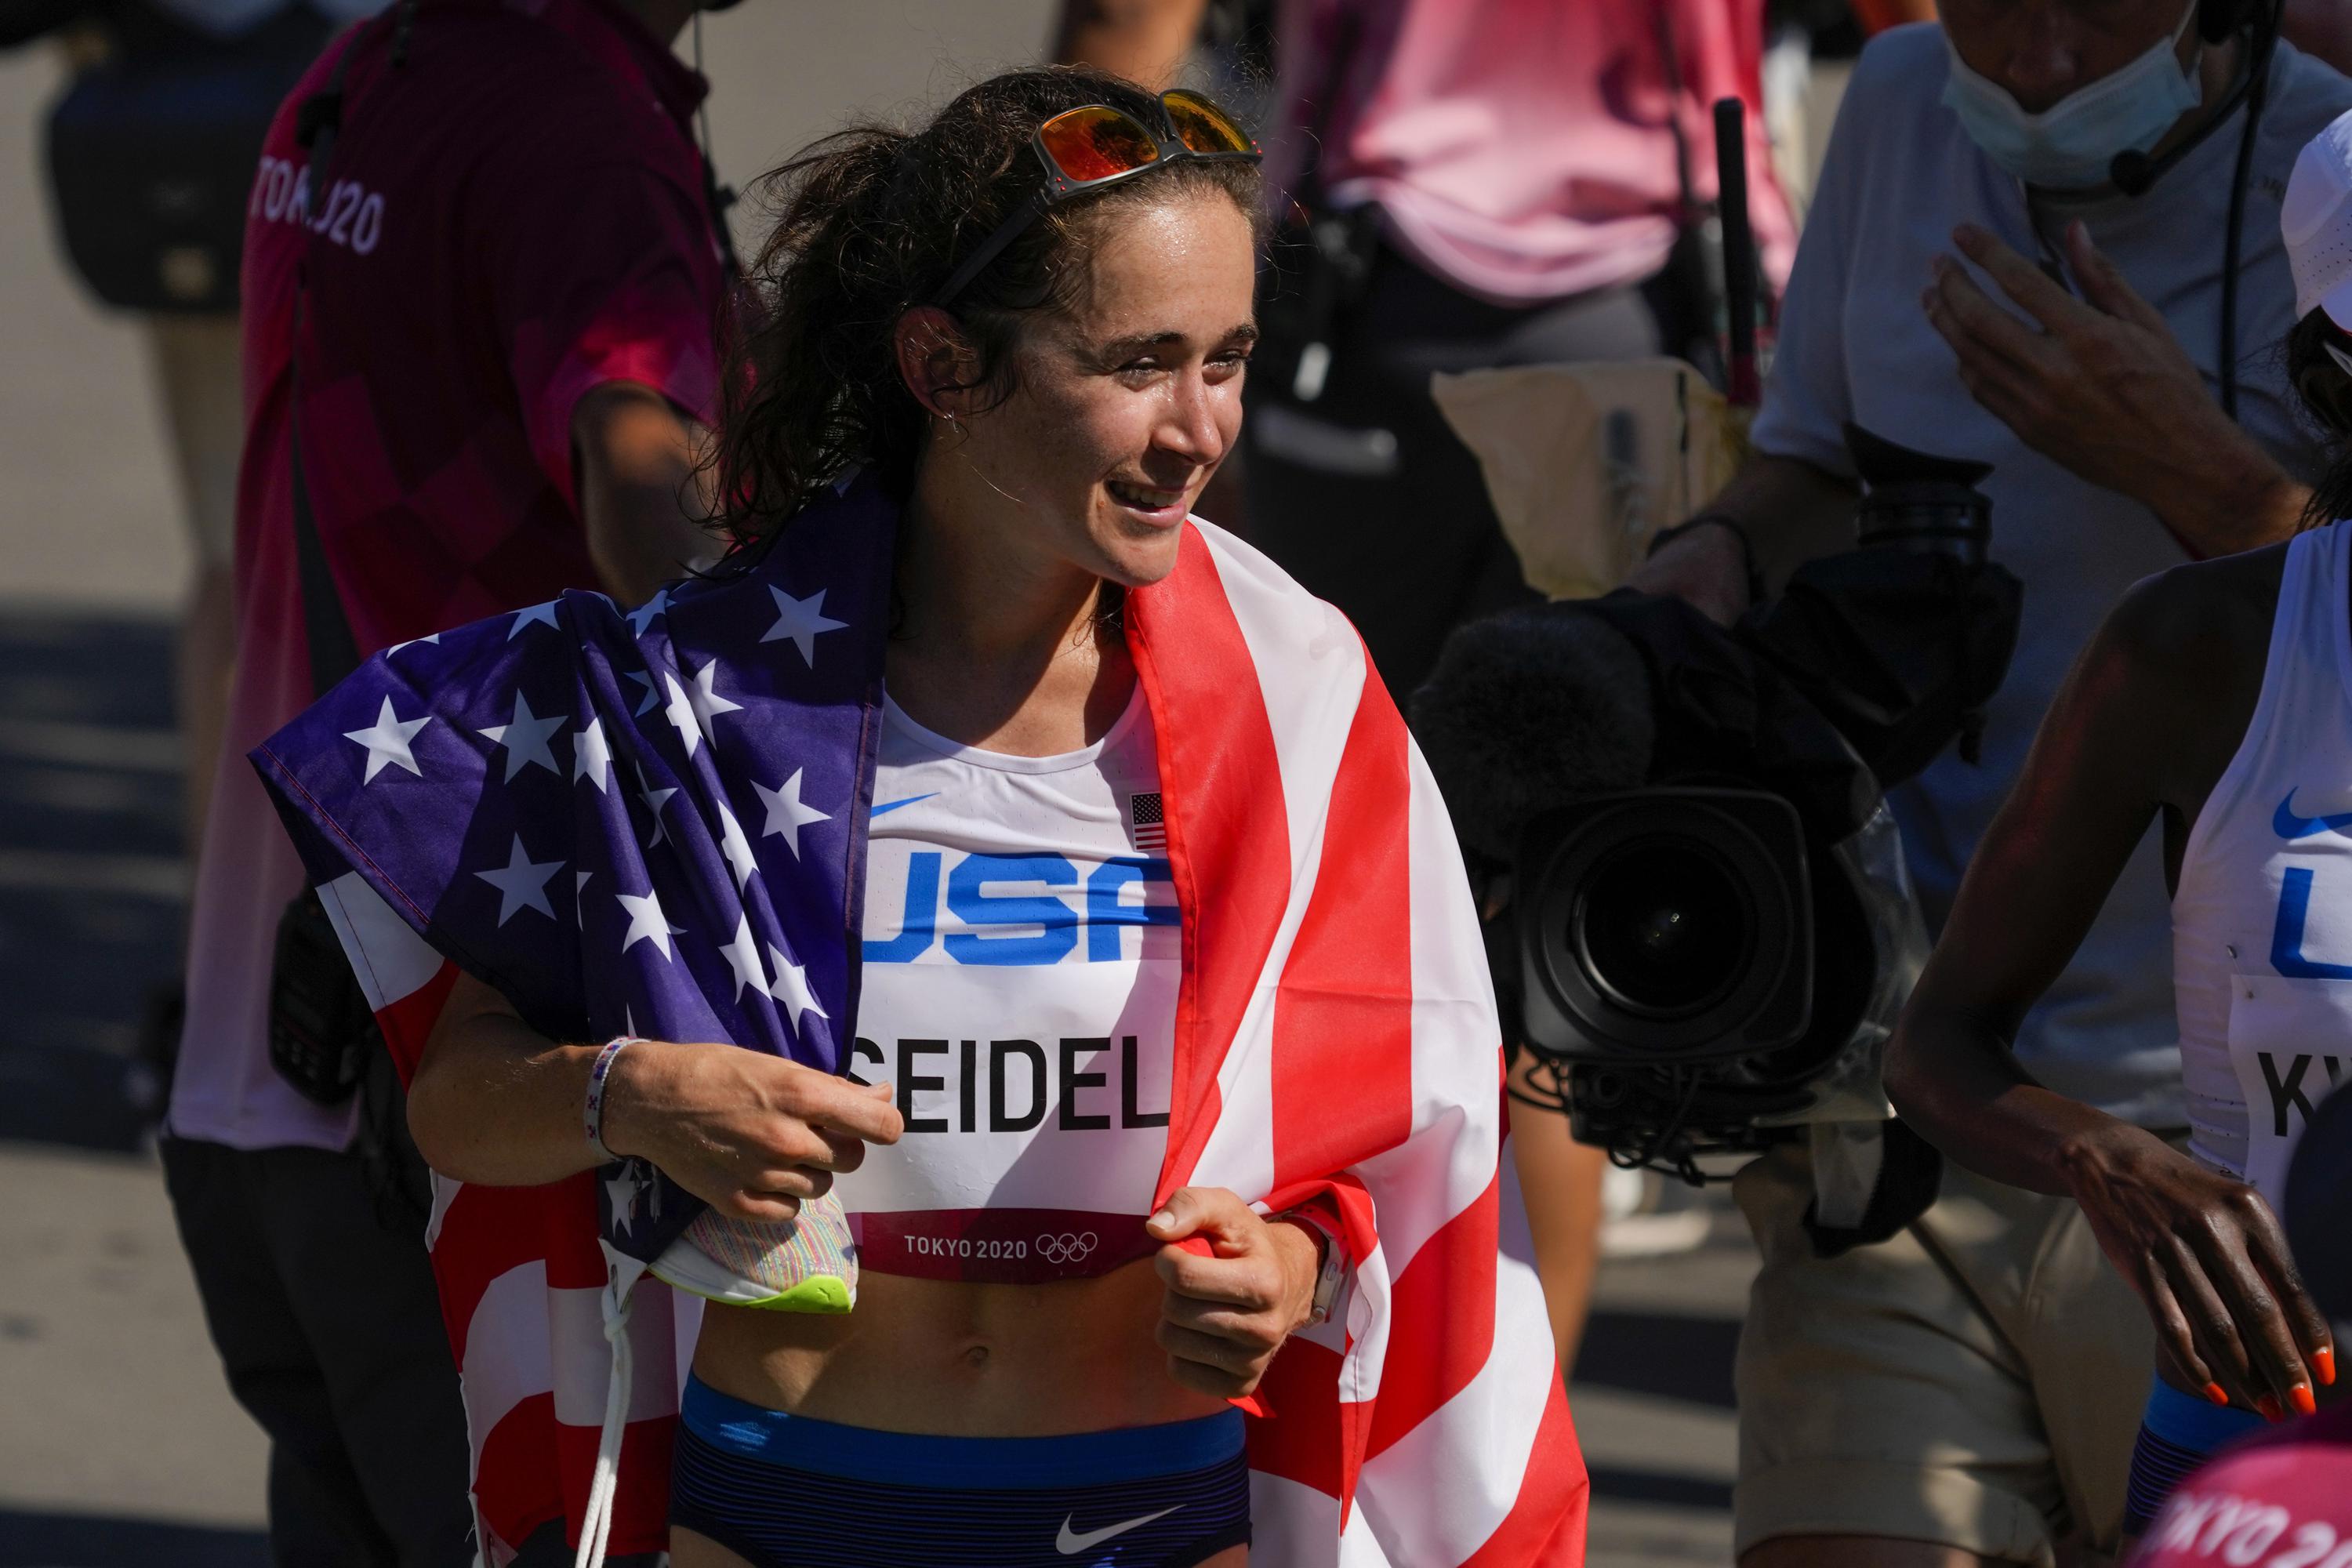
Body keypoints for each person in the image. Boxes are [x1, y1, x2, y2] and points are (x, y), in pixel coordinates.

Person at [247, 67, 1586, 1568]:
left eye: (1228, 358)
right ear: (944, 365)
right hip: (784, 1502)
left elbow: (1406, 1147)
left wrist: (1289, 1265)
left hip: (1158, 1505)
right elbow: (456, 1108)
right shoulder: (692, 696)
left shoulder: (1303, 696)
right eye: (1138, 362)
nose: (1200, 427)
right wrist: (633, 1095)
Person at [1626, 3, 2352, 1565]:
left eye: (2090, 8)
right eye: (1989, 6)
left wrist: (2192, 469)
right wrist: (1721, 547)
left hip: (2236, 1202)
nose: (2034, 62)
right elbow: (1815, 459)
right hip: (1908, 1122)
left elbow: (2323, 621)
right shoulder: (1898, 101)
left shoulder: (2334, 162)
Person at [159, 0, 735, 1557]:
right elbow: (636, 464)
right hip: (446, 1075)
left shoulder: (371, 64)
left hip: (276, 1055)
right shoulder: (577, 137)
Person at [1888, 106, 2352, 1553]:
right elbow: (1937, 1046)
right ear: (2331, 377)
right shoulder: (2198, 650)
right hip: (2269, 1447)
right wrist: (2105, 1156)